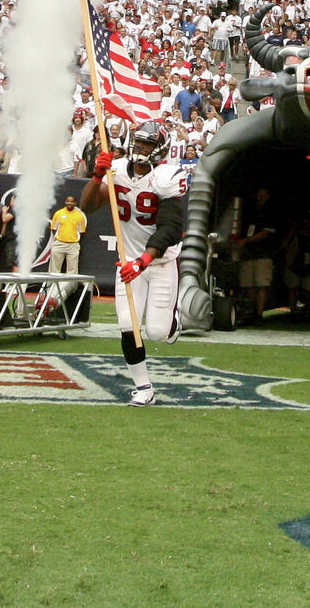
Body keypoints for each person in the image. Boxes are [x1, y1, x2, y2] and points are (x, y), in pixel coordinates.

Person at [79, 121, 188, 406]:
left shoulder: (167, 176)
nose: (140, 148)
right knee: (128, 325)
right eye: (138, 142)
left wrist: (144, 260)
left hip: (160, 262)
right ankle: (143, 388)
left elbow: (171, 229)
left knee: (157, 332)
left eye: (147, 144)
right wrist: (96, 177)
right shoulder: (117, 170)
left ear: (159, 149)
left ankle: (174, 321)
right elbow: (88, 207)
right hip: (128, 263)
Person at [232, 185, 280, 318]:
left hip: (264, 254)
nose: (259, 198)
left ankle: (259, 314)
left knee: (261, 285)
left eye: (263, 196)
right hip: (248, 254)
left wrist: (245, 241)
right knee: (248, 285)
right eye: (259, 195)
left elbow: (266, 233)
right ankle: (250, 312)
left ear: (268, 197)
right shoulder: (251, 212)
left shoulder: (271, 212)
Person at [46, 193, 84, 274]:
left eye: (71, 201)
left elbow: (81, 231)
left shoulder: (80, 216)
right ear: (65, 202)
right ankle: (51, 286)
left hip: (73, 245)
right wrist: (60, 237)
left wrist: (72, 239)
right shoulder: (58, 213)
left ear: (75, 203)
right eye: (68, 201)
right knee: (54, 269)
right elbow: (53, 228)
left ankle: (70, 286)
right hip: (59, 244)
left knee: (72, 270)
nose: (69, 203)